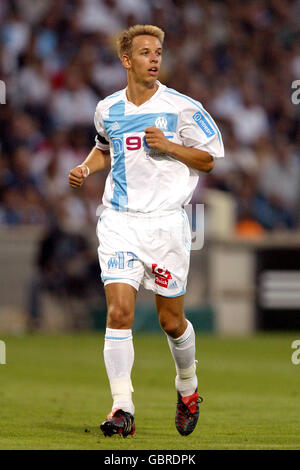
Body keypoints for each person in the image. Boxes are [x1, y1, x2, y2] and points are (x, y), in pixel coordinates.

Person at [69, 24, 224, 438]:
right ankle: (122, 408)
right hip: (119, 221)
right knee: (119, 312)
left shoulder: (182, 107)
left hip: (166, 226)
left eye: (158, 52)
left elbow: (209, 160)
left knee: (171, 321)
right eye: (145, 53)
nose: (154, 58)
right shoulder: (107, 109)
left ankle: (187, 387)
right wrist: (86, 167)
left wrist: (170, 146)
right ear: (126, 60)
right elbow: (104, 148)